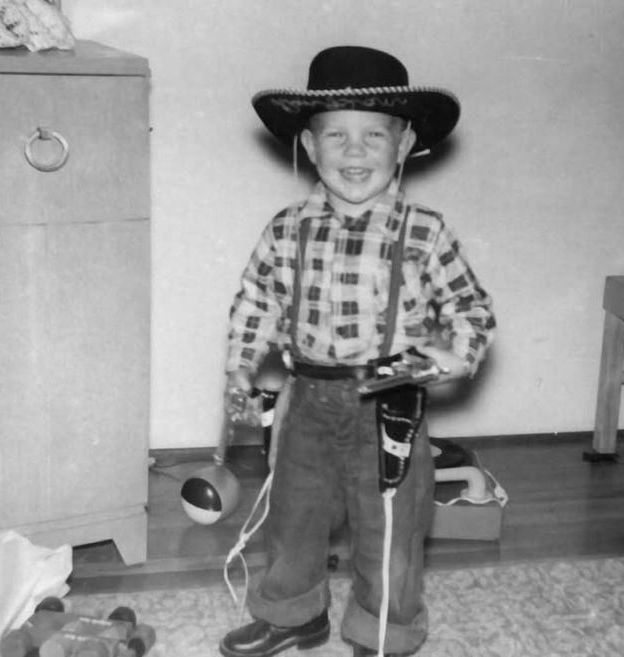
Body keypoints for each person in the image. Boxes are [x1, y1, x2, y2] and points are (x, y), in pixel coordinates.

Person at [220, 45, 496, 657]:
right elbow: (255, 300)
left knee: (390, 527)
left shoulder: (425, 229)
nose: (354, 151)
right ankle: (293, 613)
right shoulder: (286, 227)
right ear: (309, 147)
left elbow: (471, 309)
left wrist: (457, 354)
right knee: (293, 516)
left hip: (388, 405)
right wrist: (241, 362)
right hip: (306, 401)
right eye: (335, 135)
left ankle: (383, 632)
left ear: (404, 146)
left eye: (374, 134)